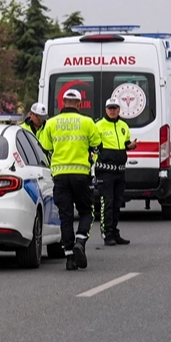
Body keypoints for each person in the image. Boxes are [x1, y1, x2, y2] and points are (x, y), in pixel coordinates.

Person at [38, 88, 102, 271]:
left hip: (59, 175)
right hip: (81, 174)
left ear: (62, 103)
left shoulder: (51, 123)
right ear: (79, 105)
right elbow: (97, 146)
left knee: (65, 216)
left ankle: (69, 259)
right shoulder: (87, 122)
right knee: (86, 211)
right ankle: (80, 242)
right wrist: (91, 162)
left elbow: (45, 147)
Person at [95, 98, 133, 246]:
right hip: (105, 171)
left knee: (118, 202)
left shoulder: (124, 126)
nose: (112, 110)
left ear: (119, 110)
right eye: (110, 108)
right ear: (106, 109)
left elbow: (125, 143)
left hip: (120, 171)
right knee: (107, 202)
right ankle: (107, 233)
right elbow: (93, 145)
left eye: (115, 108)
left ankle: (115, 231)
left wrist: (131, 146)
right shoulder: (98, 125)